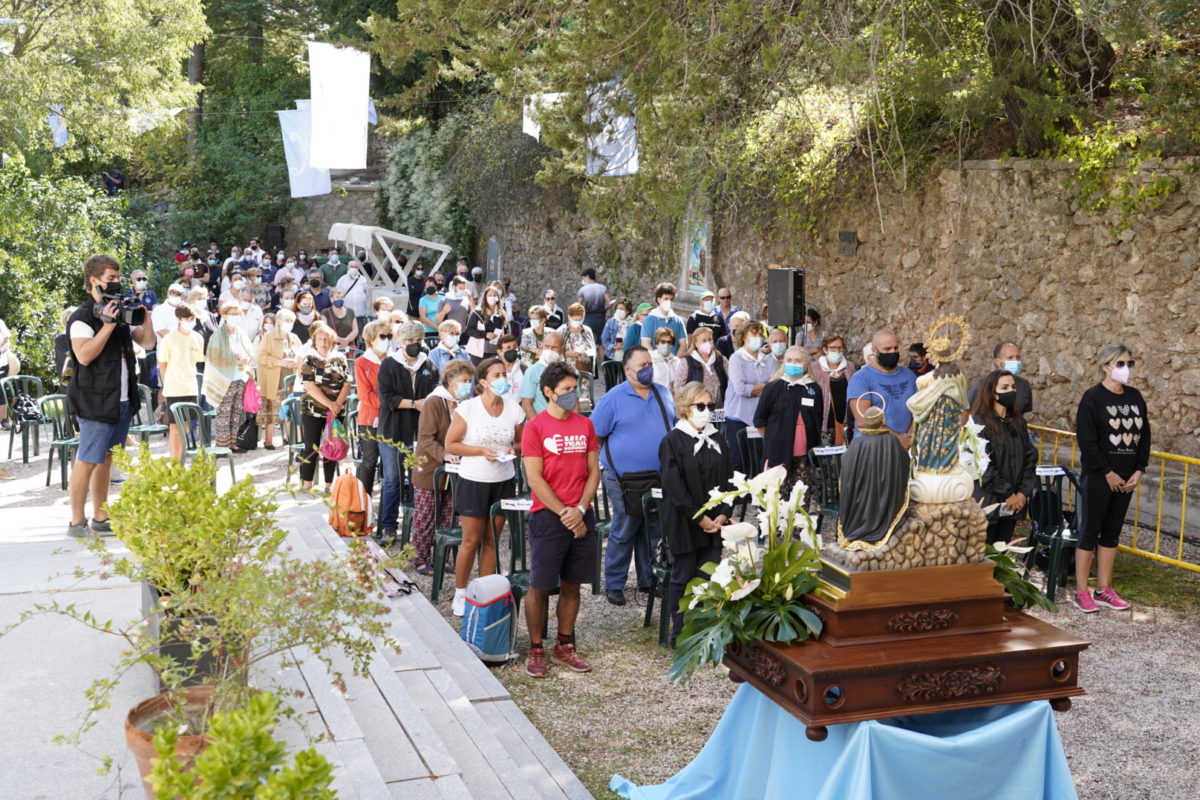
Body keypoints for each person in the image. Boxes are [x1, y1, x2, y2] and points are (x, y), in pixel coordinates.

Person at [66, 255, 157, 536]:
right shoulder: (81, 318)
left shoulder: (120, 312)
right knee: (88, 458)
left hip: (121, 398)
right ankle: (76, 521)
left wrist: (145, 315)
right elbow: (83, 356)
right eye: (111, 279)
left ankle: (101, 516)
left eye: (118, 278)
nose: (117, 283)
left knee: (107, 457)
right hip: (94, 399)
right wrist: (106, 326)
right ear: (94, 281)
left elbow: (148, 342)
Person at [521, 361, 602, 677]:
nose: (574, 395)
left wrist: (581, 509)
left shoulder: (585, 425)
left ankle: (565, 644)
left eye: (576, 389)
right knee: (540, 585)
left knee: (573, 584)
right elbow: (535, 479)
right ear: (548, 393)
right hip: (549, 516)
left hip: (582, 514)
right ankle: (537, 647)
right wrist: (566, 513)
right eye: (566, 390)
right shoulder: (535, 427)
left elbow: (593, 470)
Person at [591, 346, 676, 605]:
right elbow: (595, 436)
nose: (648, 368)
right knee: (625, 528)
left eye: (650, 363)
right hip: (622, 479)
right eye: (642, 365)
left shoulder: (663, 393)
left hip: (657, 477)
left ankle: (648, 580)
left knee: (653, 529)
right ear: (627, 370)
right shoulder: (613, 398)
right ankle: (615, 584)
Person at [445, 357, 526, 616]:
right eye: (497, 375)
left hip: (503, 480)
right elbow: (451, 444)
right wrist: (481, 451)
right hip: (474, 481)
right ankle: (460, 593)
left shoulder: (514, 409)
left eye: (505, 374)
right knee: (470, 540)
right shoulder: (468, 408)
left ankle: (486, 594)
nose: (503, 379)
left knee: (492, 539)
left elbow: (523, 444)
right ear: (483, 382)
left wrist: (510, 449)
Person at [1073, 344, 1148, 613]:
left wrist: (1139, 469)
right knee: (1089, 533)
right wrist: (1107, 472)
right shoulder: (1092, 398)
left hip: (1127, 479)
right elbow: (1087, 440)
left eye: (1129, 363)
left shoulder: (1135, 397)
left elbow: (1144, 435)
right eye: (1120, 364)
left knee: (1112, 533)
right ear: (1105, 367)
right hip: (1099, 477)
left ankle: (1104, 588)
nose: (1125, 369)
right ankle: (1081, 592)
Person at [659, 381, 733, 640]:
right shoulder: (673, 441)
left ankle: (705, 630)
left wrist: (723, 512)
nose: (706, 411)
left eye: (710, 406)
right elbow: (674, 487)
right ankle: (681, 632)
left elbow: (728, 478)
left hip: (716, 521)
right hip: (685, 521)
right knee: (683, 577)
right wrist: (700, 518)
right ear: (684, 407)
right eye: (700, 406)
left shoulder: (718, 437)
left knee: (709, 575)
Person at [377, 322, 440, 539]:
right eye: (410, 341)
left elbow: (434, 395)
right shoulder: (389, 365)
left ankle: (415, 527)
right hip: (392, 431)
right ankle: (389, 527)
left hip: (418, 433)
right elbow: (386, 399)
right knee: (393, 479)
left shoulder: (428, 365)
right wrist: (415, 404)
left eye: (418, 341)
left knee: (418, 481)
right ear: (401, 342)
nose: (414, 345)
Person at [412, 359, 474, 574]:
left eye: (469, 380)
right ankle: (420, 558)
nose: (467, 384)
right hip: (430, 468)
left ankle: (442, 558)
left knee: (449, 516)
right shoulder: (435, 402)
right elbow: (425, 438)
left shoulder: (465, 403)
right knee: (426, 515)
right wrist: (445, 455)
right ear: (450, 380)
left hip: (455, 471)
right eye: (463, 380)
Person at [967, 370, 1036, 544]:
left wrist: (1022, 493)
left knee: (1003, 549)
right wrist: (1007, 494)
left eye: (1013, 387)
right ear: (992, 392)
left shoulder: (1017, 422)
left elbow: (1029, 457)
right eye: (1004, 387)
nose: (1011, 391)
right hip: (989, 500)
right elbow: (982, 465)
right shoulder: (979, 423)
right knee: (987, 551)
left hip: (1014, 502)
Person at [754, 347, 823, 490]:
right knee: (779, 497)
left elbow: (818, 418)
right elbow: (759, 420)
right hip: (778, 453)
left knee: (801, 497)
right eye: (790, 360)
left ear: (806, 364)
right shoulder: (773, 388)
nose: (793, 363)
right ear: (784, 363)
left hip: (805, 455)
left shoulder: (814, 388)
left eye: (798, 360)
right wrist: (772, 440)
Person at [296, 323, 350, 492]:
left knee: (332, 445)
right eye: (320, 339)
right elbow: (309, 386)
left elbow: (347, 383)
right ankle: (307, 484)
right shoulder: (309, 359)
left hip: (336, 411)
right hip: (313, 410)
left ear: (333, 341)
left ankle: (328, 484)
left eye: (327, 339)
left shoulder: (340, 358)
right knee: (310, 446)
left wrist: (337, 405)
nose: (324, 342)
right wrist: (330, 404)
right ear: (315, 341)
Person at [847, 330, 918, 448]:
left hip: (907, 447)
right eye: (887, 349)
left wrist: (909, 436)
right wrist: (898, 440)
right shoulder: (861, 378)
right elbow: (863, 421)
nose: (893, 352)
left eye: (896, 348)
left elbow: (918, 410)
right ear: (875, 351)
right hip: (873, 449)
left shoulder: (909, 375)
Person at [723, 320, 777, 474]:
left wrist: (755, 389)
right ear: (744, 337)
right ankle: (741, 496)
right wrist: (763, 387)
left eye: (760, 334)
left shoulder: (767, 359)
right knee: (740, 461)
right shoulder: (736, 358)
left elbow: (773, 387)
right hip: (738, 416)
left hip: (759, 417)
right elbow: (740, 389)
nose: (757, 337)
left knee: (759, 460)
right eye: (753, 334)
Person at [157, 305, 205, 460]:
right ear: (179, 319)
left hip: (191, 386)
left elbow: (197, 359)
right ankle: (174, 461)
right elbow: (162, 363)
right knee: (174, 428)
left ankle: (182, 459)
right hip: (174, 388)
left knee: (186, 426)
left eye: (192, 319)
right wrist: (170, 380)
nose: (189, 322)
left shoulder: (198, 337)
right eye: (186, 319)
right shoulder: (169, 338)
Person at [204, 303, 254, 449]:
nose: (234, 317)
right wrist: (234, 360)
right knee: (224, 412)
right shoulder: (218, 335)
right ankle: (222, 444)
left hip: (241, 377)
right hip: (224, 379)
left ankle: (233, 442)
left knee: (236, 410)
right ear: (224, 316)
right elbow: (213, 357)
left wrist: (247, 358)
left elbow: (251, 351)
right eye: (231, 314)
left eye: (237, 314)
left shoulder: (241, 333)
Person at [353, 321, 390, 497]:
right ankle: (362, 502)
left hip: (392, 417)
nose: (387, 340)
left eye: (389, 336)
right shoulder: (362, 362)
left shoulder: (394, 359)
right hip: (371, 418)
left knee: (390, 462)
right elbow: (364, 395)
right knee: (369, 461)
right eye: (382, 336)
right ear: (371, 339)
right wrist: (391, 402)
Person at [255, 308, 300, 450]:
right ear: (279, 322)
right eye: (287, 320)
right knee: (271, 411)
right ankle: (268, 441)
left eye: (292, 321)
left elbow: (301, 356)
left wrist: (294, 361)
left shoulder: (293, 338)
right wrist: (279, 362)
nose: (290, 323)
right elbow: (261, 357)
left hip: (290, 381)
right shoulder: (268, 337)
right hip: (272, 379)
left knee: (289, 410)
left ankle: (289, 438)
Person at [810, 333, 855, 446]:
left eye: (840, 347)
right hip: (825, 422)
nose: (837, 351)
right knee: (827, 459)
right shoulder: (815, 367)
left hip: (845, 422)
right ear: (825, 349)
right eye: (833, 348)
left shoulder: (849, 366)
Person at [968, 342, 1034, 415]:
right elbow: (967, 415)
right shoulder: (980, 386)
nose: (1015, 361)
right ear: (997, 362)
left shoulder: (1023, 385)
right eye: (1010, 357)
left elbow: (1021, 414)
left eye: (1018, 357)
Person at [674, 327, 728, 408]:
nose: (708, 343)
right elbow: (678, 388)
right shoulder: (686, 362)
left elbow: (731, 382)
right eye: (704, 340)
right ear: (696, 343)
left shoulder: (721, 360)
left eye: (710, 339)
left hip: (720, 410)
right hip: (697, 410)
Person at [520, 332, 565, 420]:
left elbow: (575, 402)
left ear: (562, 349)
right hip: (541, 424)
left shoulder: (568, 371)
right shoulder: (533, 371)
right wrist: (538, 427)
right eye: (546, 346)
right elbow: (527, 404)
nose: (549, 350)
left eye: (554, 347)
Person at [639, 282, 686, 355]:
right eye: (666, 298)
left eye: (671, 299)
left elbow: (683, 344)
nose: (669, 301)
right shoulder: (649, 319)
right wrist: (657, 359)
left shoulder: (678, 320)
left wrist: (676, 360)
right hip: (655, 362)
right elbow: (645, 342)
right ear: (659, 300)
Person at [465, 285, 507, 363]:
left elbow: (504, 331)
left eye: (495, 295)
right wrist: (485, 334)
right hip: (479, 351)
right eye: (490, 295)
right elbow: (469, 330)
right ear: (485, 297)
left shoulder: (501, 314)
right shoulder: (477, 313)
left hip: (495, 350)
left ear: (498, 298)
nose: (492, 297)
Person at [577, 267, 613, 345]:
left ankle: (588, 357)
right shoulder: (602, 288)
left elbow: (578, 306)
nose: (583, 280)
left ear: (587, 276)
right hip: (601, 318)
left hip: (588, 317)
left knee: (585, 342)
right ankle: (601, 357)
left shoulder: (583, 290)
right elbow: (611, 303)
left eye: (583, 278)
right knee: (601, 343)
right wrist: (605, 309)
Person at [559, 303, 597, 374]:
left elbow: (593, 349)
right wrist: (568, 353)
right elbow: (555, 351)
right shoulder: (561, 331)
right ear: (569, 317)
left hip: (585, 370)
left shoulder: (587, 330)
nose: (578, 322)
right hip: (567, 371)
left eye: (580, 319)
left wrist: (588, 351)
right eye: (575, 319)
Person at [152, 284, 187, 349]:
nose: (174, 295)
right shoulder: (159, 310)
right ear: (167, 293)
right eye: (172, 292)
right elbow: (161, 331)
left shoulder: (187, 308)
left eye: (178, 294)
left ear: (182, 295)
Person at [601, 298, 634, 364]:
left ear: (627, 311)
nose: (619, 311)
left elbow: (634, 340)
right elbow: (604, 339)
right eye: (617, 308)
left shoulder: (632, 323)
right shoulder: (610, 322)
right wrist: (613, 346)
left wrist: (625, 346)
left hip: (627, 357)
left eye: (621, 309)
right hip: (611, 356)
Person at [649, 326, 681, 392]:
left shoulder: (677, 361)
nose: (666, 344)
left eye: (669, 342)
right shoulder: (650, 359)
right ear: (657, 343)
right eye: (663, 342)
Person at [497, 334, 524, 401]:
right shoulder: (491, 368)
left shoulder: (524, 368)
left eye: (515, 347)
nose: (512, 350)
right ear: (500, 352)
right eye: (508, 347)